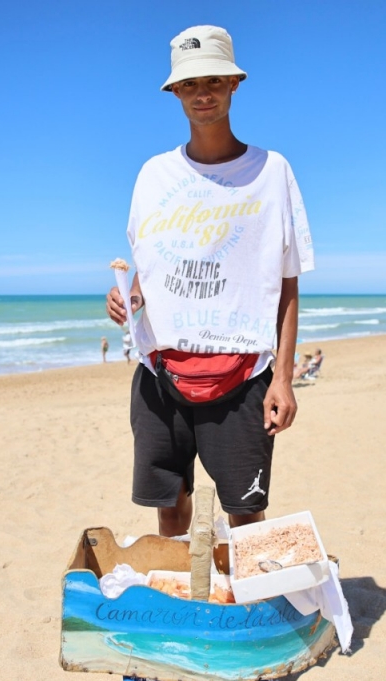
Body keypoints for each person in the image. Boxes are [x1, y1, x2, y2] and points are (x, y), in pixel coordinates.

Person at [105, 25, 313, 537]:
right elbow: (150, 266)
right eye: (191, 83)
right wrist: (129, 297)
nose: (203, 93)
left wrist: (283, 378)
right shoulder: (153, 174)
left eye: (215, 81)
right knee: (170, 508)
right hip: (161, 373)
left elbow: (286, 282)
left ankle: (242, 607)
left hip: (243, 374)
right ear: (175, 91)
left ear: (234, 85)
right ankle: (185, 607)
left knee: (245, 514)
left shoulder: (271, 170)